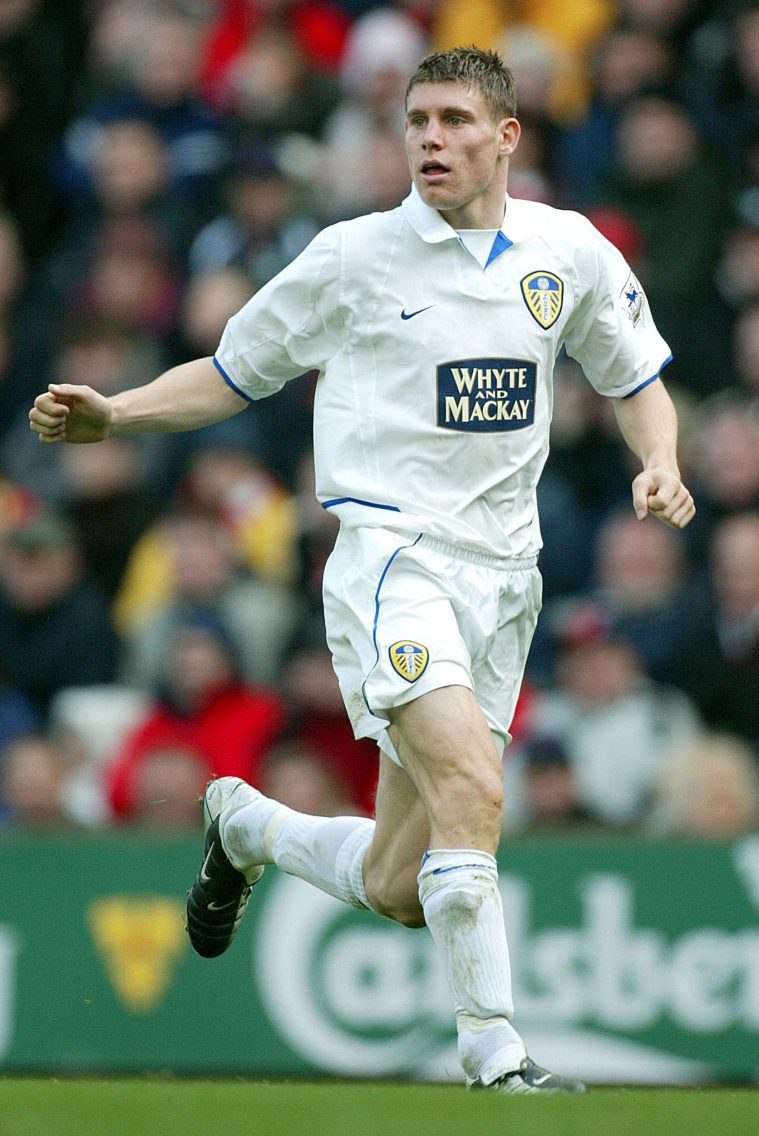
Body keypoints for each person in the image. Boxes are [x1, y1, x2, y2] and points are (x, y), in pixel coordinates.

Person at [29, 47, 695, 1096]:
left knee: (399, 883)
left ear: (507, 135)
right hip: (392, 558)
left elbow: (639, 377)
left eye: (454, 121)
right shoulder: (354, 258)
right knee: (477, 785)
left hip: (503, 580)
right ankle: (496, 1055)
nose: (430, 138)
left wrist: (659, 460)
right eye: (416, 120)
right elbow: (230, 372)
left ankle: (246, 824)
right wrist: (119, 412)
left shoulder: (566, 251)